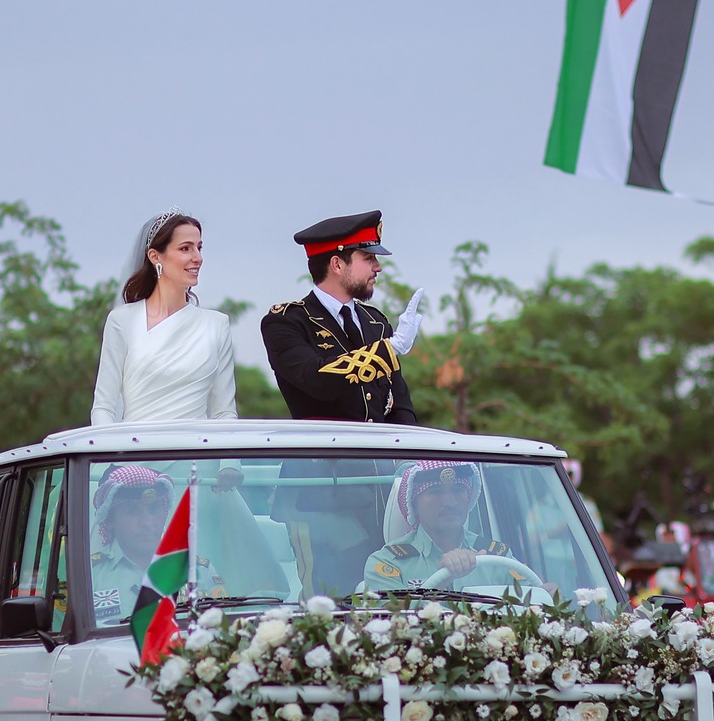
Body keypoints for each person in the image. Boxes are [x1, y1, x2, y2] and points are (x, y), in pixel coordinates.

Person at [261, 210, 424, 424]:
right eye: (368, 258)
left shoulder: (376, 322)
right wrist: (390, 349)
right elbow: (318, 380)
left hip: (380, 455)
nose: (378, 267)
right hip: (322, 455)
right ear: (337, 264)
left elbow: (400, 407)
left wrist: (405, 455)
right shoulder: (287, 322)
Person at [91, 211, 238, 425]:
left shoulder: (217, 325)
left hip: (199, 454)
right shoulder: (122, 321)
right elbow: (103, 407)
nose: (197, 257)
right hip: (134, 453)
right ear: (155, 256)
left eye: (199, 247)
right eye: (185, 248)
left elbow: (224, 413)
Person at [362, 461, 523, 592]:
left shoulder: (497, 556)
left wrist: (547, 593)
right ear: (414, 505)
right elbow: (395, 623)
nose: (450, 502)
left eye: (458, 490)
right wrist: (442, 579)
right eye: (435, 491)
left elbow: (531, 603)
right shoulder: (387, 562)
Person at [89, 466, 175, 623]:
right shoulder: (89, 575)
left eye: (154, 508)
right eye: (132, 511)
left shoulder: (196, 570)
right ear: (109, 521)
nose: (147, 523)